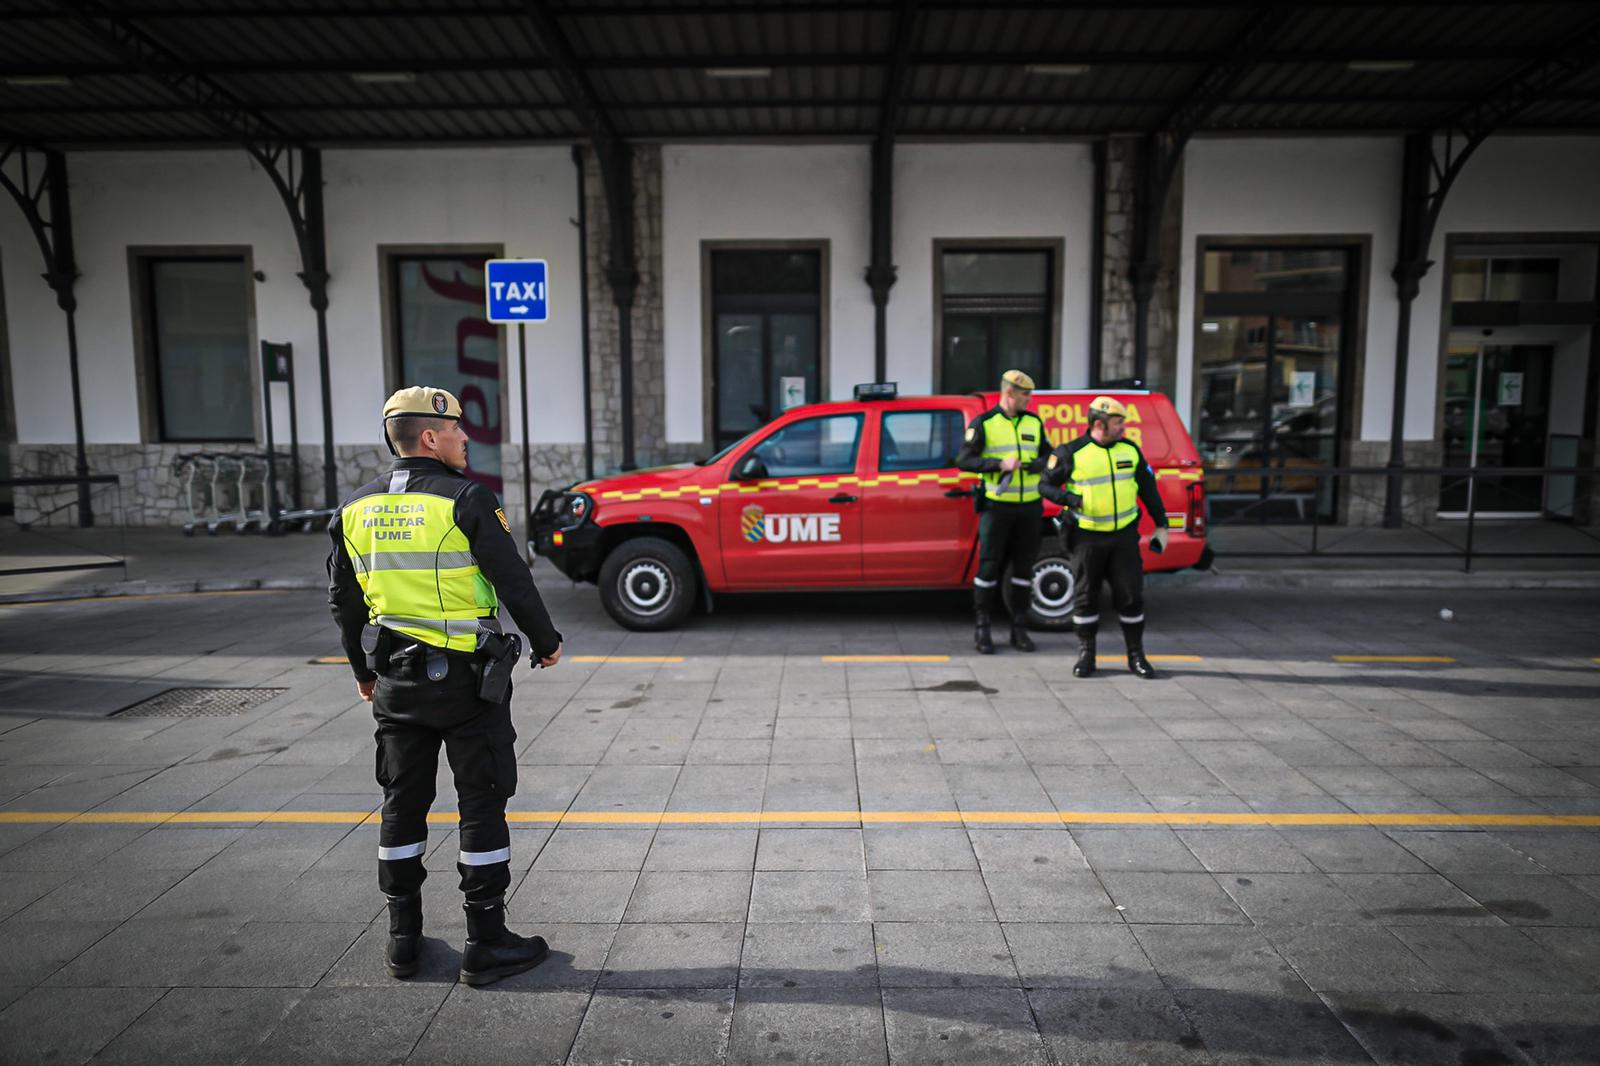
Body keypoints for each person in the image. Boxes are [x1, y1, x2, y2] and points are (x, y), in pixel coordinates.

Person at [328, 386, 564, 987]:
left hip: (395, 685)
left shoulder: (353, 509)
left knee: (401, 804)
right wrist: (545, 640)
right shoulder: (467, 499)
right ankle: (485, 942)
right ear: (429, 437)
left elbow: (345, 602)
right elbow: (512, 578)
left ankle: (403, 940)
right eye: (457, 429)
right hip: (466, 685)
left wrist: (362, 671)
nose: (465, 437)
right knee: (481, 802)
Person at [1040, 395, 1169, 680]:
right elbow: (1045, 485)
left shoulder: (1131, 451)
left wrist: (1162, 523)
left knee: (1132, 597)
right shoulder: (1070, 453)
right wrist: (1068, 498)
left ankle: (1136, 656)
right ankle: (1087, 655)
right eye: (1118, 422)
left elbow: (1148, 489)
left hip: (1123, 538)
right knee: (1086, 598)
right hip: (1087, 538)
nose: (1124, 427)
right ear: (1099, 424)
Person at [956, 369, 1049, 654]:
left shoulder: (1034, 422)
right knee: (989, 568)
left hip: (1030, 507)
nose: (1029, 400)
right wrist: (998, 464)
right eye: (1025, 394)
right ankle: (982, 630)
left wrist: (1039, 464)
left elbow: (1050, 454)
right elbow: (964, 460)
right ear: (1009, 393)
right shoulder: (985, 423)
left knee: (1023, 570)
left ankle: (1018, 629)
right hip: (998, 508)